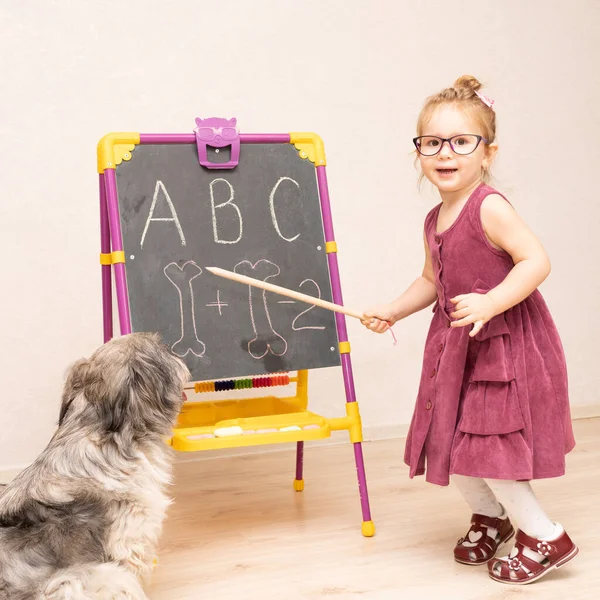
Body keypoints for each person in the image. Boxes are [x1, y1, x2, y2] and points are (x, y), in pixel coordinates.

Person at [362, 75, 578, 585]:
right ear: (419, 153)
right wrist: (393, 310)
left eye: (461, 141)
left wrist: (492, 300)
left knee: (491, 449)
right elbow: (431, 281)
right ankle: (492, 516)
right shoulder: (435, 216)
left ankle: (545, 536)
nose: (445, 152)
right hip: (457, 347)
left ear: (487, 153)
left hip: (503, 347)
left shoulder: (490, 206)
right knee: (453, 440)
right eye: (432, 142)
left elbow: (536, 261)